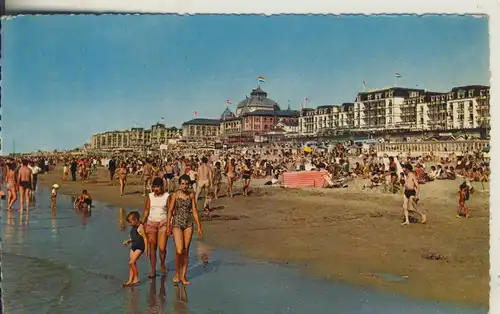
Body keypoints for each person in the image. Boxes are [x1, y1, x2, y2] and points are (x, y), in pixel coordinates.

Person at [167, 174, 203, 285]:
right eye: (182, 184)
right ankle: (177, 273)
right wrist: (168, 224)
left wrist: (199, 226)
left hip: (188, 223)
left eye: (187, 184)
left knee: (186, 250)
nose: (184, 186)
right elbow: (170, 210)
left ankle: (183, 276)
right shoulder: (175, 195)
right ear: (179, 184)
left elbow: (195, 211)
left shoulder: (191, 195)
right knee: (179, 250)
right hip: (177, 222)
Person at [142, 177, 170, 278]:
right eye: (154, 187)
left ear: (162, 187)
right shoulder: (150, 196)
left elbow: (170, 211)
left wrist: (169, 225)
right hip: (151, 223)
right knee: (152, 247)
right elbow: (146, 210)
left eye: (158, 187)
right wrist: (142, 222)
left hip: (163, 222)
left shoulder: (167, 196)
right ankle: (153, 270)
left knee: (162, 248)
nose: (156, 189)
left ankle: (162, 264)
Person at [122, 211, 148, 287]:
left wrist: (146, 249)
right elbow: (134, 237)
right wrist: (128, 241)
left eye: (131, 222)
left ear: (136, 220)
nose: (129, 224)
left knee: (131, 262)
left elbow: (145, 238)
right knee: (132, 264)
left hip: (140, 247)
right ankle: (130, 280)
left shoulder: (141, 227)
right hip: (133, 246)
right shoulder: (133, 227)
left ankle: (136, 277)